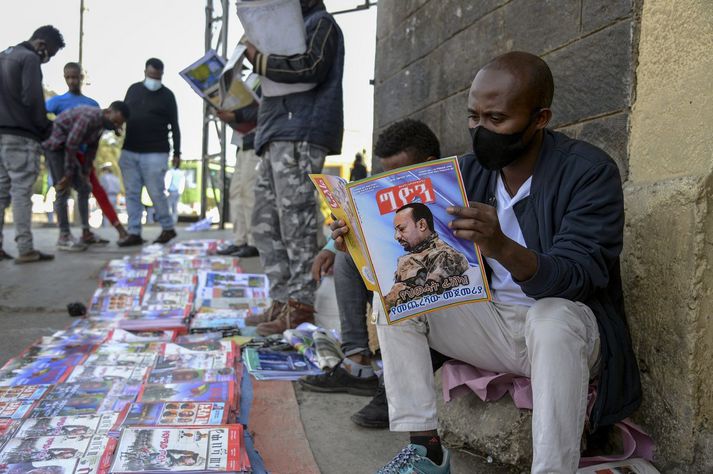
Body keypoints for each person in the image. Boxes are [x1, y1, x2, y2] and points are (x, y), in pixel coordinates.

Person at [333, 52, 641, 474]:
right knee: (397, 299)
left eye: (497, 119)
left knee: (551, 318)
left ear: (540, 118)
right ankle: (426, 451)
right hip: (491, 325)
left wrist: (501, 246)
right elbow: (413, 249)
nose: (482, 131)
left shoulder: (588, 173)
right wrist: (359, 237)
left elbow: (578, 278)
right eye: (474, 117)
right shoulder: (464, 173)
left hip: (567, 336)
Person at [300, 119, 441, 430]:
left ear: (430, 166)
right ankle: (357, 362)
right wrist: (335, 243)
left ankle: (391, 387)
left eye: (399, 175)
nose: (392, 183)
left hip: (441, 303)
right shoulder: (395, 205)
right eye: (385, 175)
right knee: (346, 258)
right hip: (401, 294)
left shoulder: (449, 197)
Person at [243, 0, 345, 336]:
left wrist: (260, 60)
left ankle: (301, 306)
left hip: (302, 130)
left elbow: (310, 67)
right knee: (264, 220)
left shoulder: (321, 24)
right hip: (275, 129)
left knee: (296, 223)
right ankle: (282, 298)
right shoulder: (285, 26)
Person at [0, 25, 64, 264]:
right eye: (51, 53)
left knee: (1, 192)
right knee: (21, 192)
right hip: (20, 135)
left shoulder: (3, 55)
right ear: (41, 45)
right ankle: (25, 248)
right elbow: (33, 98)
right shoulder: (29, 59)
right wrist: (45, 128)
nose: (48, 59)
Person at [45, 61, 128, 243]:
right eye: (115, 122)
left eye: (118, 125)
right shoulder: (89, 116)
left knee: (85, 187)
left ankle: (86, 233)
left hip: (73, 152)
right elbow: (71, 145)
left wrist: (84, 171)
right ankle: (64, 235)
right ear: (108, 112)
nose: (115, 127)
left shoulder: (101, 124)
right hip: (57, 148)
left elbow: (92, 148)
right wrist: (68, 174)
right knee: (62, 188)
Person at [118, 57, 181, 247]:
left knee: (156, 192)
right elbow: (123, 113)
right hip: (130, 150)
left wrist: (178, 152)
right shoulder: (133, 90)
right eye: (152, 75)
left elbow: (175, 126)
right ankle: (134, 232)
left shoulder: (168, 96)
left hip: (156, 151)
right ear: (145, 71)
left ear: (162, 75)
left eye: (158, 76)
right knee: (131, 193)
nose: (154, 80)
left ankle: (168, 228)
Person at [384, 203, 469, 312]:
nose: (397, 236)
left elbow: (432, 299)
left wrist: (393, 299)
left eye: (402, 229)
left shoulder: (444, 256)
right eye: (396, 230)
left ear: (422, 225)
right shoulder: (407, 258)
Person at [215, 102, 260, 258]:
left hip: (256, 142)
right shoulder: (250, 81)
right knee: (236, 193)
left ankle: (253, 242)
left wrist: (236, 116)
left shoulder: (267, 82)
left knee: (249, 194)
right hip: (243, 143)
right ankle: (240, 240)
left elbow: (263, 108)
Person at [98, 162, 121, 227]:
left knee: (106, 212)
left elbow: (102, 187)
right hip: (115, 196)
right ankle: (114, 226)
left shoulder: (103, 177)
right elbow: (118, 188)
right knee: (113, 211)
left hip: (107, 195)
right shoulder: (115, 178)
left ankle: (106, 227)